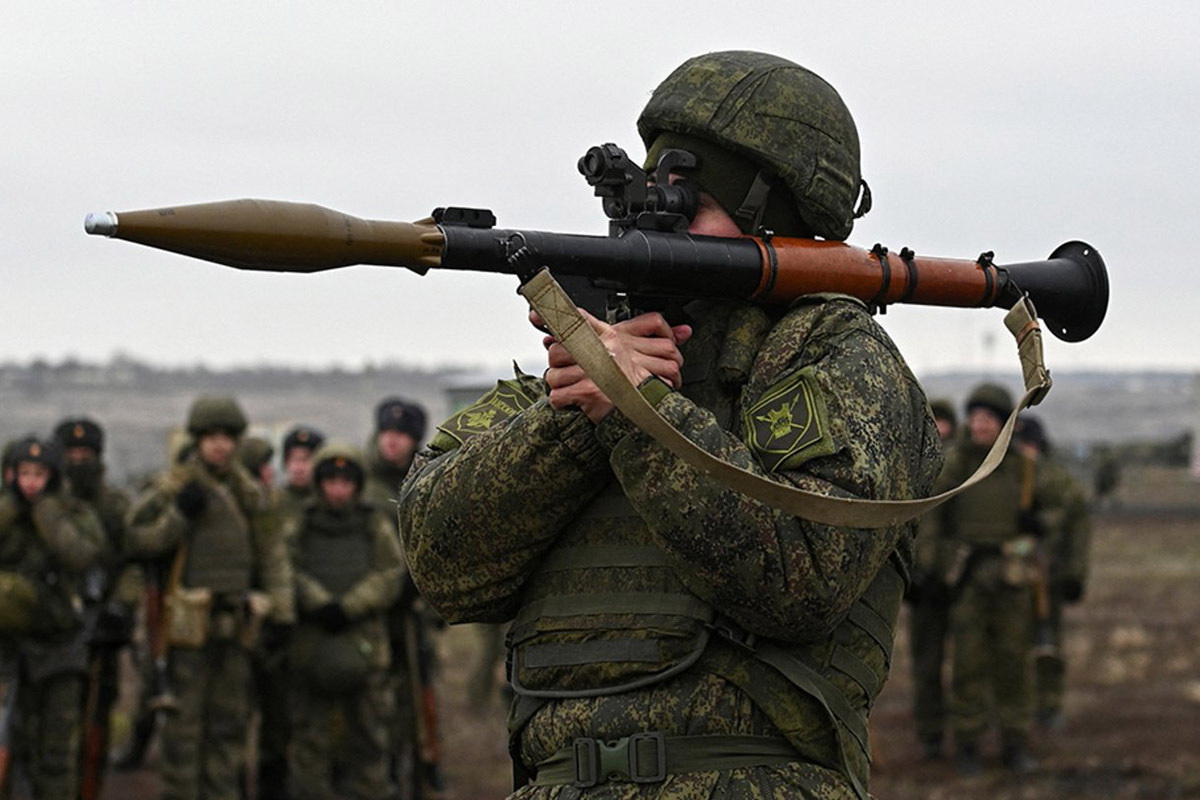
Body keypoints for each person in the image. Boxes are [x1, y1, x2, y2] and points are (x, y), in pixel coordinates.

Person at [399, 50, 942, 799]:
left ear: (774, 218)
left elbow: (804, 573)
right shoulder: (576, 372)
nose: (657, 219)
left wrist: (638, 409)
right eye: (653, 193)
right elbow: (443, 565)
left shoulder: (828, 352)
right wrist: (580, 410)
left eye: (694, 199)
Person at [125, 396, 295, 800]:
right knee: (182, 733)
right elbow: (136, 541)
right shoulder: (173, 488)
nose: (220, 445)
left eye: (227, 437)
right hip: (185, 632)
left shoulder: (249, 494)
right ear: (198, 440)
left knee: (228, 730)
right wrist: (179, 517)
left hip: (236, 628)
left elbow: (272, 556)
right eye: (211, 437)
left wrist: (281, 614)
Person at [931, 383, 1047, 775]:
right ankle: (968, 743)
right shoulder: (955, 464)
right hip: (968, 580)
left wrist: (1039, 523)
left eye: (988, 419)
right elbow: (932, 517)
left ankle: (1015, 743)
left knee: (1014, 663)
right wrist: (933, 566)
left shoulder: (1023, 468)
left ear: (1003, 424)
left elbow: (1062, 509)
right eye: (975, 418)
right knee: (968, 665)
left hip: (1013, 579)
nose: (980, 425)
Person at [284, 443, 403, 800]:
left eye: (346, 482)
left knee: (369, 740)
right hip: (312, 647)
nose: (338, 490)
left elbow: (390, 572)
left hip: (365, 647)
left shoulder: (373, 523)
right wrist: (318, 603)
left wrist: (350, 606)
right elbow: (286, 568)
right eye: (330, 481)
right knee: (310, 743)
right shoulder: (301, 523)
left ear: (358, 484)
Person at [0, 437, 105, 798]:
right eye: (24, 473)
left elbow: (82, 555)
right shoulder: (6, 513)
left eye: (40, 474)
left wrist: (47, 514)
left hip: (60, 647)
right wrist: (11, 510)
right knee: (11, 747)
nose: (31, 482)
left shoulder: (72, 513)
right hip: (8, 649)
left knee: (56, 754)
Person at [52, 416, 141, 800]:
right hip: (54, 628)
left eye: (85, 454)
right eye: (70, 453)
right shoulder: (47, 506)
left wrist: (121, 606)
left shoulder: (115, 506)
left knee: (96, 721)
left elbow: (132, 563)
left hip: (102, 626)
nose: (77, 461)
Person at [1013, 414, 1091, 731]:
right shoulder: (1004, 478)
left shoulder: (1060, 481)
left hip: (1049, 576)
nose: (1026, 451)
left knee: (1048, 643)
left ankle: (1049, 704)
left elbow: (1076, 530)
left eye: (1029, 444)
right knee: (1009, 644)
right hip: (1012, 576)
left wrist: (1075, 575)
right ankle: (1013, 706)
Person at [906, 398, 958, 759]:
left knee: (971, 662)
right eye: (933, 421)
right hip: (922, 583)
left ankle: (970, 732)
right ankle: (930, 735)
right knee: (926, 664)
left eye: (945, 421)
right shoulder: (909, 464)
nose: (939, 428)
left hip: (958, 580)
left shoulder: (966, 467)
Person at [278, 425, 326, 515]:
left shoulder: (328, 503)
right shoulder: (275, 502)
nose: (299, 468)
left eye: (306, 459)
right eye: (294, 459)